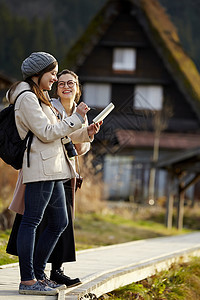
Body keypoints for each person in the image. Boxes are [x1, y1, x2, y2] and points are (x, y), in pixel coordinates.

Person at [6, 52, 101, 296]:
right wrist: (77, 117)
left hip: (55, 167)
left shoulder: (41, 97)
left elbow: (62, 134)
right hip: (40, 167)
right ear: (38, 74)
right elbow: (47, 133)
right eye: (53, 74)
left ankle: (39, 274)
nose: (55, 79)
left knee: (60, 222)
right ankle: (28, 280)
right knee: (32, 221)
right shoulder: (27, 98)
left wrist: (86, 129)